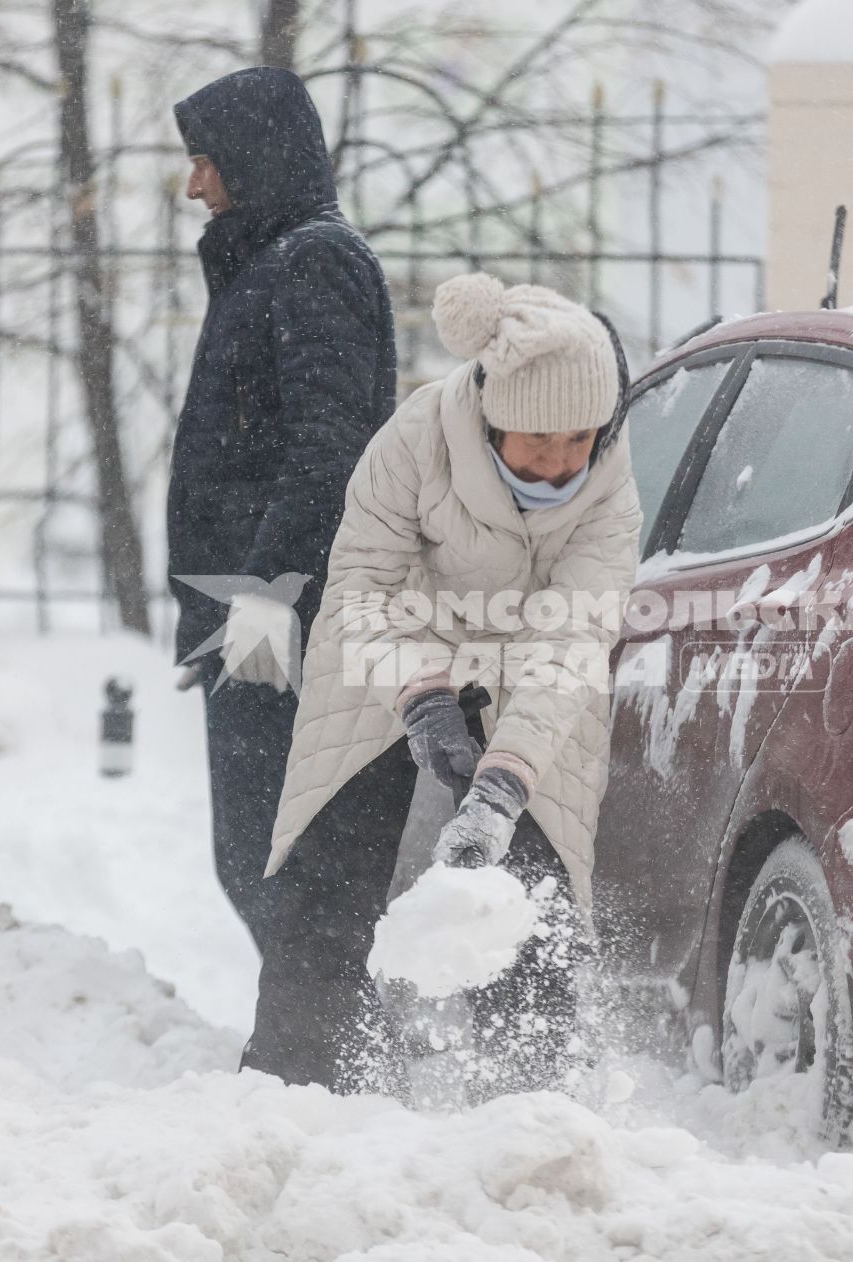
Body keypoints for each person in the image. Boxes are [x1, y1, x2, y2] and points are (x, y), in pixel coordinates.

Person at [243, 273, 642, 1096]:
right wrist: (423, 699)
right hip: (392, 647)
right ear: (492, 414)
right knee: (333, 866)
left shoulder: (608, 484)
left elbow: (573, 641)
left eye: (582, 438)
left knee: (535, 881)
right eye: (539, 439)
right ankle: (296, 1081)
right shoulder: (416, 438)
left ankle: (529, 1093)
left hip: (531, 667)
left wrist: (502, 786)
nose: (562, 462)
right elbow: (360, 590)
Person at [166, 68, 397, 959]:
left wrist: (266, 595)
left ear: (249, 158)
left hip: (281, 613)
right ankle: (313, 1055)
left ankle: (317, 1063)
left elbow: (329, 451)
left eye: (205, 161)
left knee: (283, 862)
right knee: (260, 858)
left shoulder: (314, 262)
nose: (194, 185)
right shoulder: (271, 262)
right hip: (247, 608)